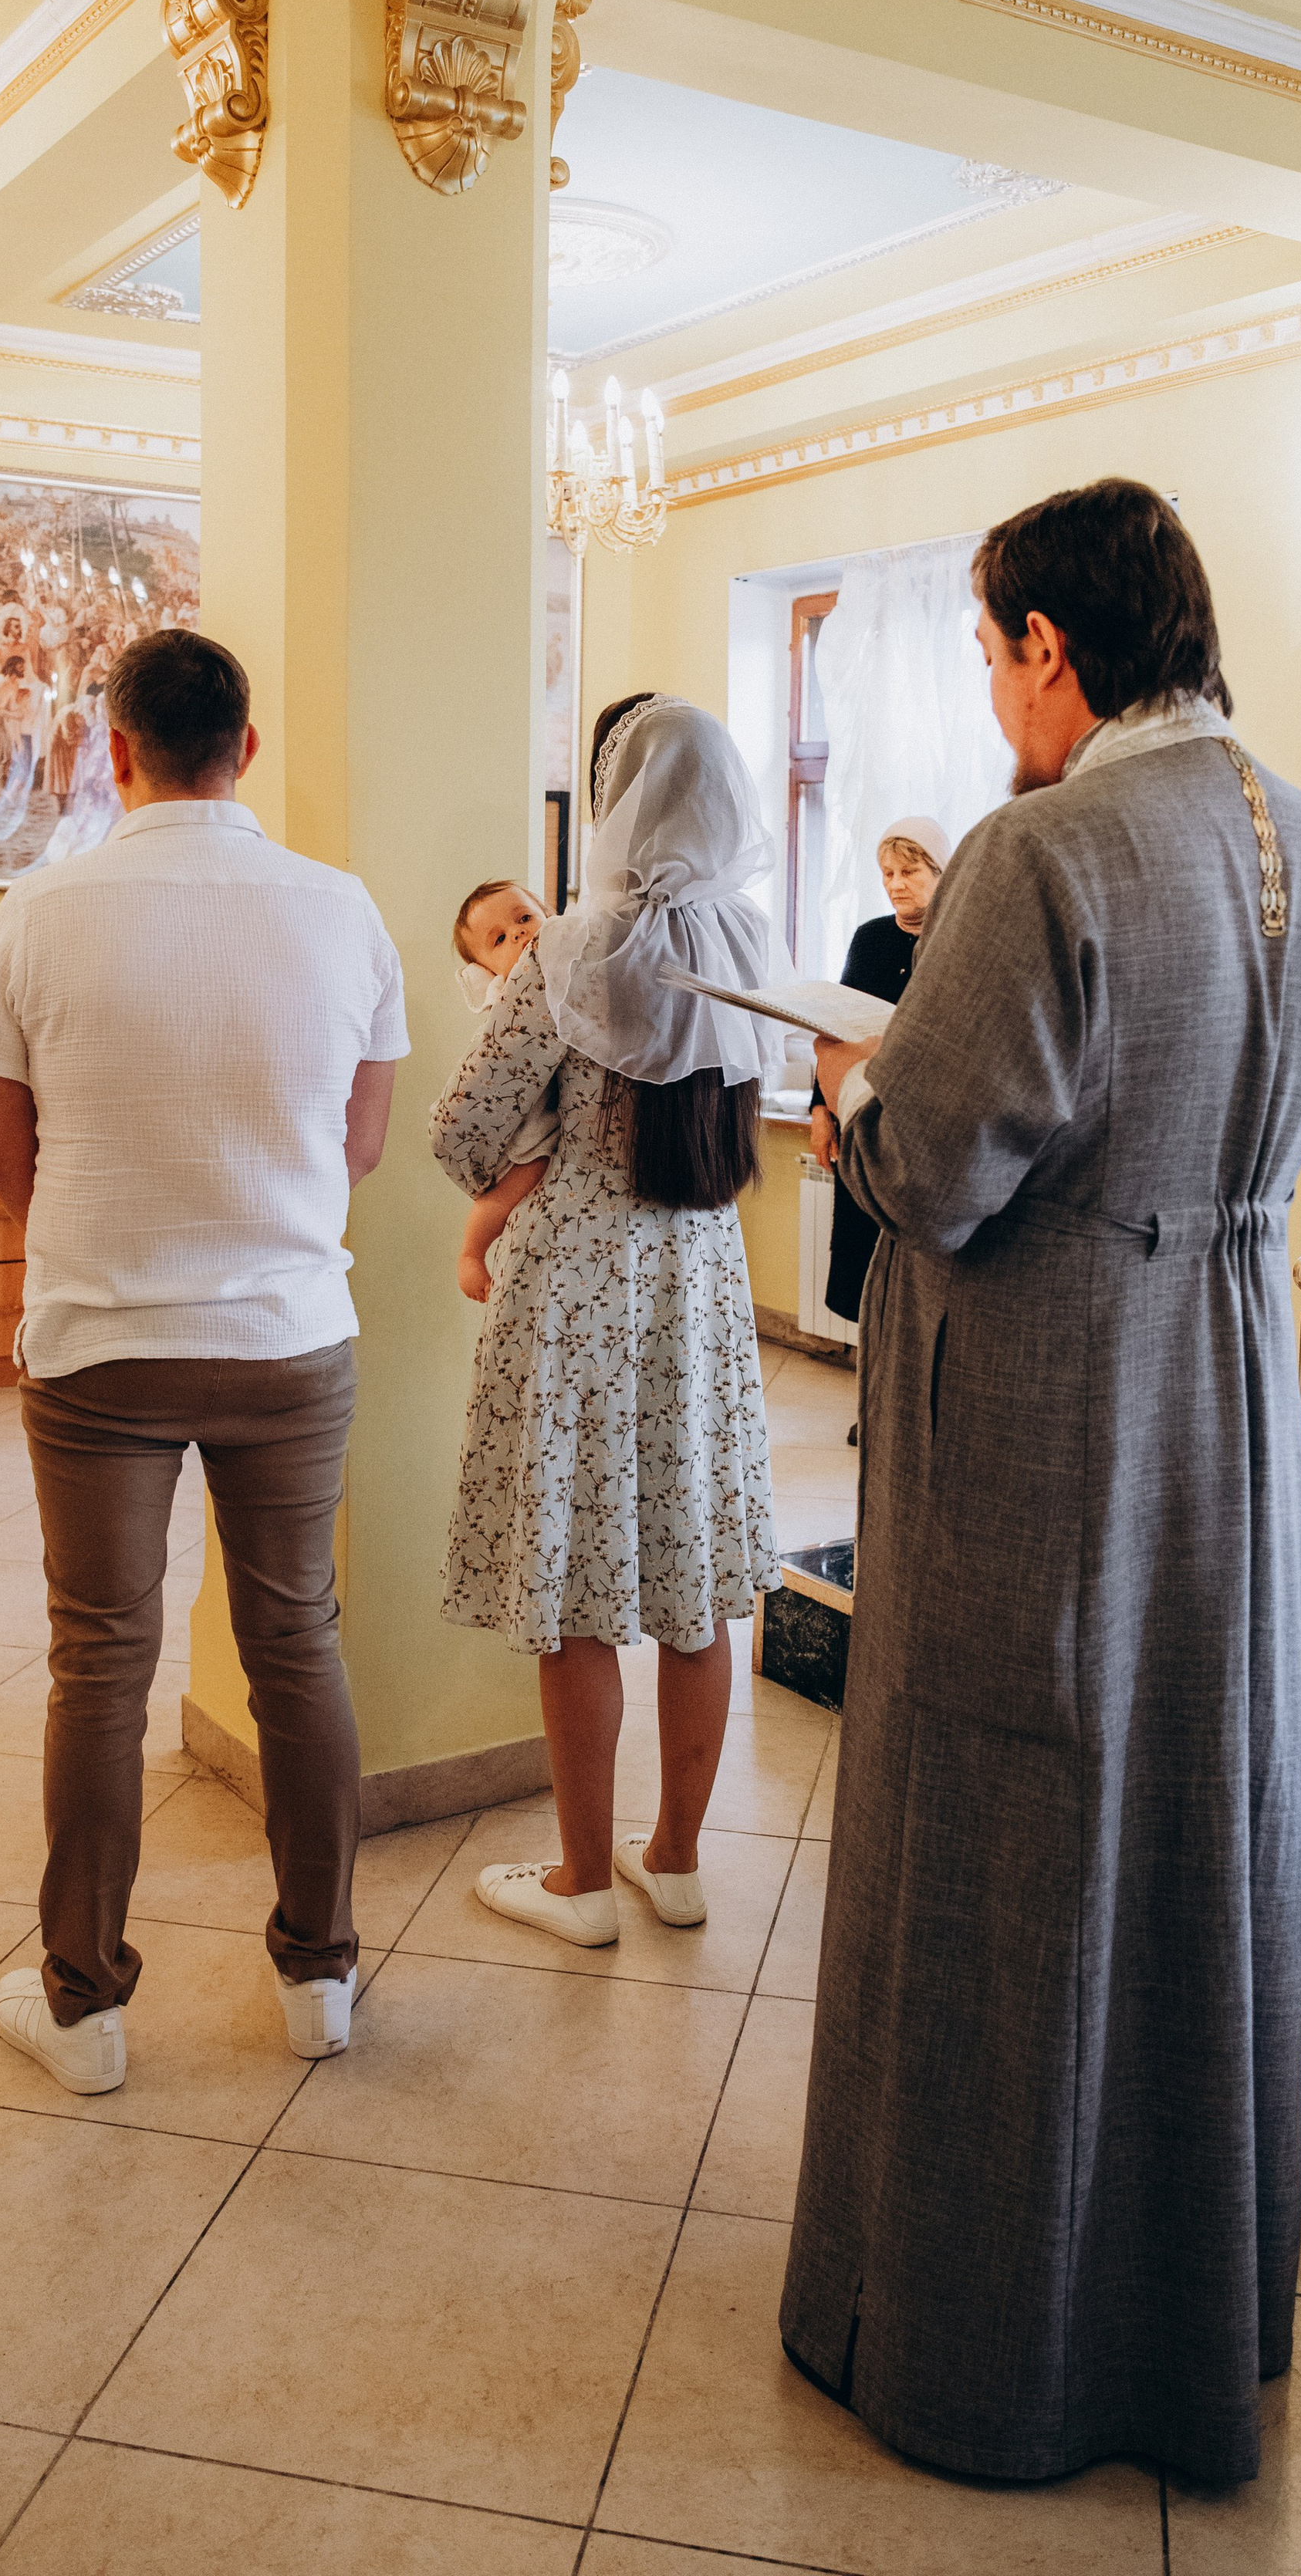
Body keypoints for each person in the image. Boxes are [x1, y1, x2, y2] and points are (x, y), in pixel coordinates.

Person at [782, 477, 1301, 2488]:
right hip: (1227, 1382)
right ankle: (1188, 2310)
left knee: (1009, 1827)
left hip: (1045, 1397)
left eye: (985, 653)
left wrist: (842, 1102)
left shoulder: (1046, 848)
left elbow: (937, 1164)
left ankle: (984, 2342)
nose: (989, 696)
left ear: (1054, 647)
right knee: (1197, 1816)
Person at [0, 628, 407, 2091]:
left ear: (114, 749)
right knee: (299, 1646)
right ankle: (319, 1981)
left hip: (98, 1350)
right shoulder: (342, 912)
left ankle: (84, 2010)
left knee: (99, 1666)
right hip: (287, 1335)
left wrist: (110, 1243)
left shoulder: (40, 912)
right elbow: (355, 1149)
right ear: (249, 749)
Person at [431, 695, 783, 1949]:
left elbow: (462, 1134)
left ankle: (583, 1879)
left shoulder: (566, 953)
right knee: (693, 1583)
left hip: (576, 1286)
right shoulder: (749, 936)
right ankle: (675, 1859)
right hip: (698, 1286)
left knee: (574, 1579)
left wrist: (529, 1153)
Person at [808, 817, 951, 1436]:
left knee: (919, 1279)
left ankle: (913, 1412)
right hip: (858, 1119)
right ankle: (872, 1407)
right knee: (868, 1274)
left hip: (923, 1131)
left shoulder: (958, 938)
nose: (896, 885)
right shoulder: (869, 939)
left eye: (910, 871)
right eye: (888, 874)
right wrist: (821, 1110)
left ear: (942, 871)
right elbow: (836, 1028)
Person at [449, 878, 557, 1302]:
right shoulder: (510, 994)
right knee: (522, 1176)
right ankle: (471, 1253)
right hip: (530, 1115)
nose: (518, 933)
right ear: (488, 970)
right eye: (499, 939)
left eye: (525, 917)